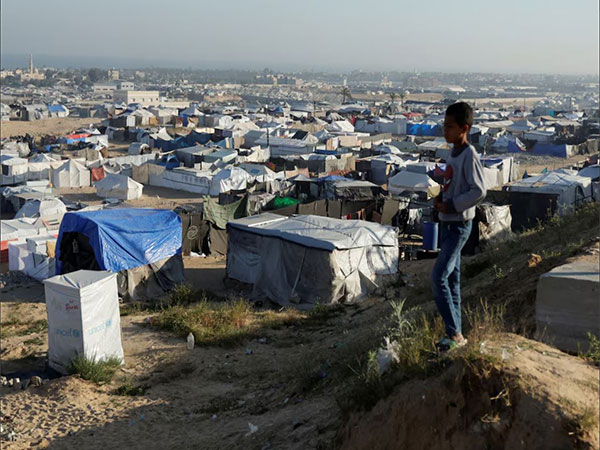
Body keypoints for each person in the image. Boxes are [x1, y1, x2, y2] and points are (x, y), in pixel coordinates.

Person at [431, 102, 486, 352]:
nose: (446, 131)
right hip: (447, 223)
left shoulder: (469, 155)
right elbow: (453, 183)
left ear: (464, 128)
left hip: (459, 225)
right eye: (444, 126)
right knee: (453, 282)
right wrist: (441, 198)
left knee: (438, 277)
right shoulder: (452, 153)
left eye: (450, 127)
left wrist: (453, 205)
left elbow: (479, 190)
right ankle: (457, 333)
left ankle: (454, 334)